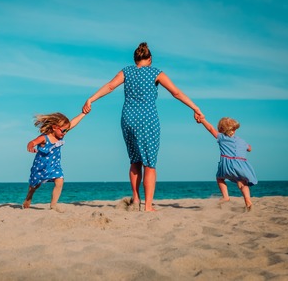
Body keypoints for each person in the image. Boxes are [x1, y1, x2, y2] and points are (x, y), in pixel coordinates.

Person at [82, 42, 204, 212]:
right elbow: (176, 92)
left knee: (135, 160)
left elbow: (110, 86)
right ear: (150, 59)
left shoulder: (127, 71)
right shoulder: (156, 73)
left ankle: (136, 198)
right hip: (147, 120)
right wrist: (195, 107)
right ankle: (147, 206)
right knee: (150, 164)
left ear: (135, 59)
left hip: (128, 119)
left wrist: (91, 99)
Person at [23, 112, 86, 212]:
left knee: (60, 180)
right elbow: (32, 142)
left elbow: (73, 123)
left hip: (54, 165)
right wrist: (30, 147)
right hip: (40, 166)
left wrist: (83, 113)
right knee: (35, 185)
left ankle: (53, 205)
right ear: (54, 127)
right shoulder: (44, 138)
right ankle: (29, 197)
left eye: (66, 130)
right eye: (63, 130)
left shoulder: (60, 134)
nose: (65, 133)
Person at [200, 116, 258, 211]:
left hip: (226, 164)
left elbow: (210, 128)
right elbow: (250, 148)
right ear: (234, 129)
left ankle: (226, 196)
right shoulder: (241, 141)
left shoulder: (221, 137)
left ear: (221, 129)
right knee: (242, 183)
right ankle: (248, 201)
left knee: (220, 178)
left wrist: (202, 120)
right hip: (241, 165)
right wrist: (247, 147)